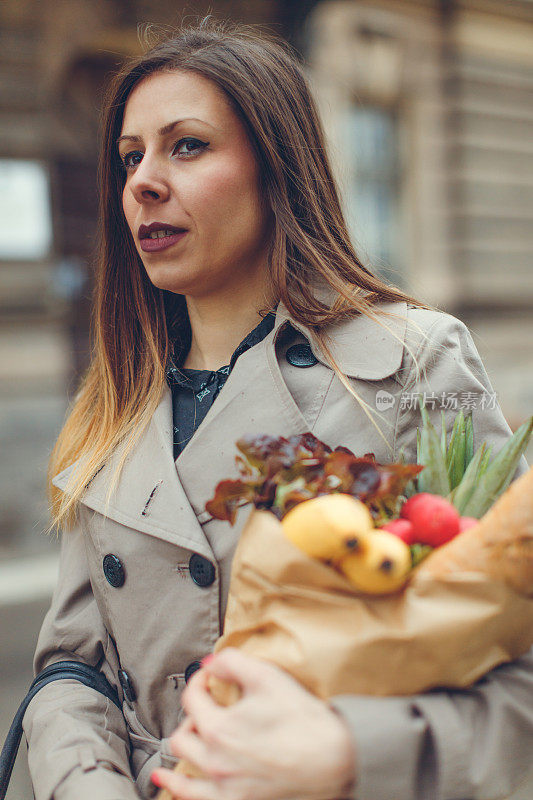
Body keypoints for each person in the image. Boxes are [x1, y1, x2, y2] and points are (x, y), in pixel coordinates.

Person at [22, 17, 532, 800]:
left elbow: (517, 662)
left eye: (186, 145)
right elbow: (71, 668)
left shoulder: (409, 362)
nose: (142, 183)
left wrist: (350, 752)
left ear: (276, 167)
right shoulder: (112, 404)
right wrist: (87, 785)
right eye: (131, 157)